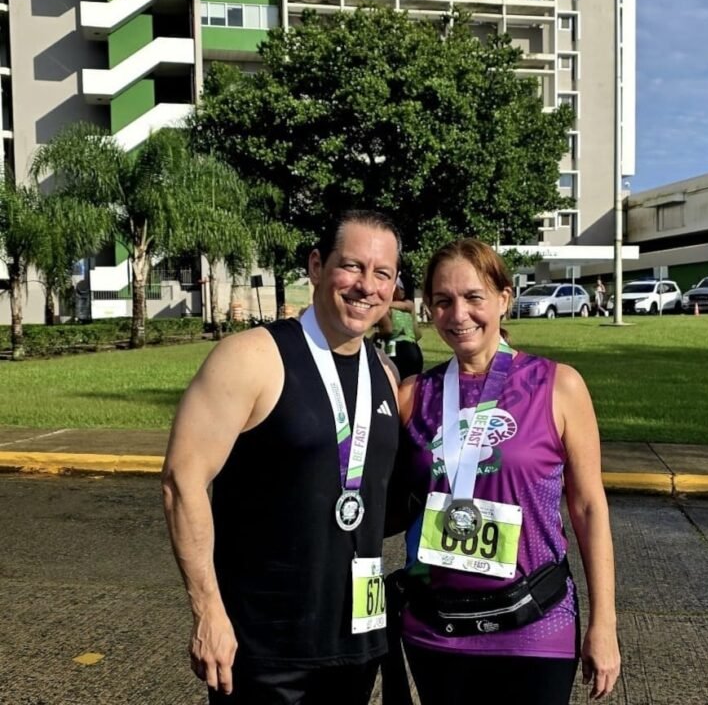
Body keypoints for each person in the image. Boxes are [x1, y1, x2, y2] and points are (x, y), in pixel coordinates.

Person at [162, 209, 402, 703]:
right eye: (351, 266)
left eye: (382, 274)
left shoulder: (385, 373)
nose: (366, 286)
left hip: (355, 641)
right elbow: (182, 482)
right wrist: (207, 611)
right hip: (264, 648)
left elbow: (375, 497)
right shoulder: (251, 357)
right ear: (317, 266)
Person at [390, 239, 620, 705]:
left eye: (474, 297)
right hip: (438, 630)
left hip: (537, 626)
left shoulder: (559, 385)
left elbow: (589, 507)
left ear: (504, 299)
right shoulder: (413, 396)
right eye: (443, 301)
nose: (459, 314)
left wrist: (605, 624)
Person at [377, 277, 424, 379]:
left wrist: (376, 335)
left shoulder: (384, 309)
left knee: (394, 383)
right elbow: (418, 334)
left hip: (395, 349)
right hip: (414, 350)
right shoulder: (409, 307)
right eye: (400, 288)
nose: (402, 291)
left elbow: (388, 330)